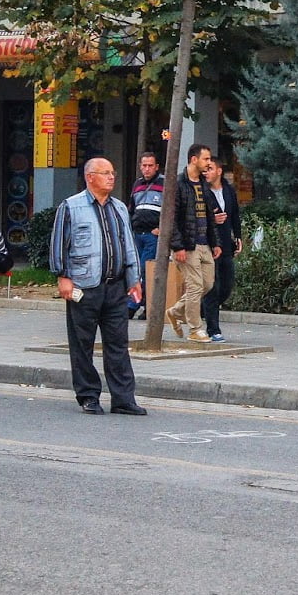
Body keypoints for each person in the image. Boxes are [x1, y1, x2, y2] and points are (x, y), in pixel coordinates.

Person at [49, 157, 146, 416]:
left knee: (118, 343)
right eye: (105, 173)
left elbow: (128, 245)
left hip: (115, 287)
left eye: (112, 172)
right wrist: (63, 276)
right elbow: (59, 243)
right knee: (83, 344)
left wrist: (134, 279)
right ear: (90, 177)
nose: (111, 177)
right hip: (85, 286)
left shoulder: (119, 208)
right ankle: (88, 395)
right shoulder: (71, 206)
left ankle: (123, 399)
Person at [164, 143, 220, 344]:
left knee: (207, 284)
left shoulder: (204, 184)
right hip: (187, 245)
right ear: (194, 159)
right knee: (195, 286)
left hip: (205, 244)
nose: (209, 163)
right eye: (206, 159)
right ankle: (196, 329)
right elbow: (171, 218)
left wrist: (216, 243)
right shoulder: (178, 184)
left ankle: (176, 311)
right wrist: (177, 246)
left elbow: (209, 215)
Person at [199, 159, 242, 343]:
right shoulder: (202, 192)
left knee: (226, 285)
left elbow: (235, 215)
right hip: (209, 244)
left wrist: (238, 236)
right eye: (204, 170)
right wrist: (213, 220)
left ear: (219, 171)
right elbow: (197, 217)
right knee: (212, 287)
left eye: (209, 169)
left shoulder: (228, 189)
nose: (206, 173)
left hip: (226, 244)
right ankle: (213, 329)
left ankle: (201, 310)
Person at [127, 152, 164, 319]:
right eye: (144, 165)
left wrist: (162, 228)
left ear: (157, 167)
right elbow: (131, 208)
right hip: (137, 234)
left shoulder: (164, 183)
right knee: (136, 270)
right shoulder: (137, 184)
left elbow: (172, 209)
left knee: (145, 271)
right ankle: (145, 306)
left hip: (152, 235)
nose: (147, 169)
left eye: (150, 165)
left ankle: (132, 305)